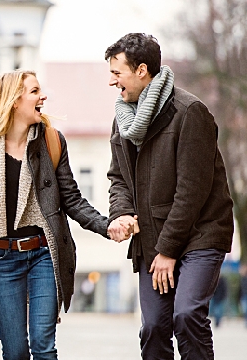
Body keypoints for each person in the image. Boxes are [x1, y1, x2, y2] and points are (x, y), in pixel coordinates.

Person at [0, 70, 130, 359]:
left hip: (42, 254)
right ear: (14, 100)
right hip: (0, 259)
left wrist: (107, 226)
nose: (42, 97)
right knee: (16, 351)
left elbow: (72, 199)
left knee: (44, 347)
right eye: (34, 91)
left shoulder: (52, 142)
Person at [105, 33, 234, 359]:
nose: (111, 81)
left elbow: (192, 191)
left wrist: (168, 250)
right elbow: (118, 177)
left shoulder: (189, 112)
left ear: (142, 70)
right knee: (153, 329)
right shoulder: (122, 120)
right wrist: (120, 212)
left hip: (200, 234)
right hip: (152, 238)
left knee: (187, 315)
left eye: (116, 72)